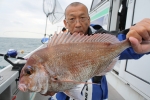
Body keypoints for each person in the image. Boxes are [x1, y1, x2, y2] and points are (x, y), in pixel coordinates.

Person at [47, 2, 150, 100]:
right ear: (65, 23)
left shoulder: (101, 37)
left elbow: (121, 42)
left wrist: (140, 35)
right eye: (72, 19)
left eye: (82, 18)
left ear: (88, 20)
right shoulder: (57, 46)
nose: (78, 24)